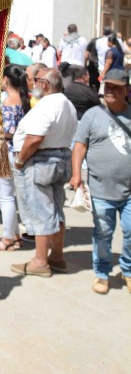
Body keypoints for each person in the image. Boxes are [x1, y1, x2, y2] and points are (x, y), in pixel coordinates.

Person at [10, 68, 78, 278]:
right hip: (59, 158)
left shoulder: (49, 105)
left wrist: (20, 160)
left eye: (36, 80)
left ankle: (40, 261)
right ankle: (56, 257)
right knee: (56, 210)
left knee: (41, 211)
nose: (33, 83)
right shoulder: (66, 103)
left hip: (41, 161)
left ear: (46, 84)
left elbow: (34, 138)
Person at [70, 69, 131, 295]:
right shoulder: (92, 115)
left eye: (117, 87)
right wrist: (76, 174)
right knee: (103, 234)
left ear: (127, 90)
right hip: (100, 190)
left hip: (129, 192)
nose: (112, 91)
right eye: (108, 87)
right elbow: (79, 146)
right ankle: (103, 274)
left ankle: (128, 270)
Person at [0, 65, 30, 252]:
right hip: (5, 151)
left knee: (5, 197)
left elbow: (10, 131)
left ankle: (8, 237)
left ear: (5, 80)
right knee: (1, 195)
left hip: (5, 151)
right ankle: (14, 234)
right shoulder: (21, 99)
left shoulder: (11, 101)